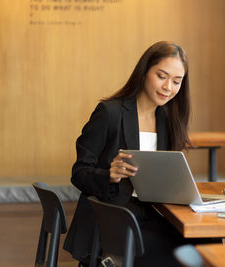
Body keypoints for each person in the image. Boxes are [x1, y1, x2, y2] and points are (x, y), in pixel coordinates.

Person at [63, 41, 191, 266]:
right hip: (112, 220)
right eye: (162, 76)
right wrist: (109, 175)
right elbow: (79, 172)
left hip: (148, 216)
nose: (168, 87)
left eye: (176, 81)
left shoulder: (168, 121)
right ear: (144, 72)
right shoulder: (110, 113)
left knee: (203, 244)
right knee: (177, 253)